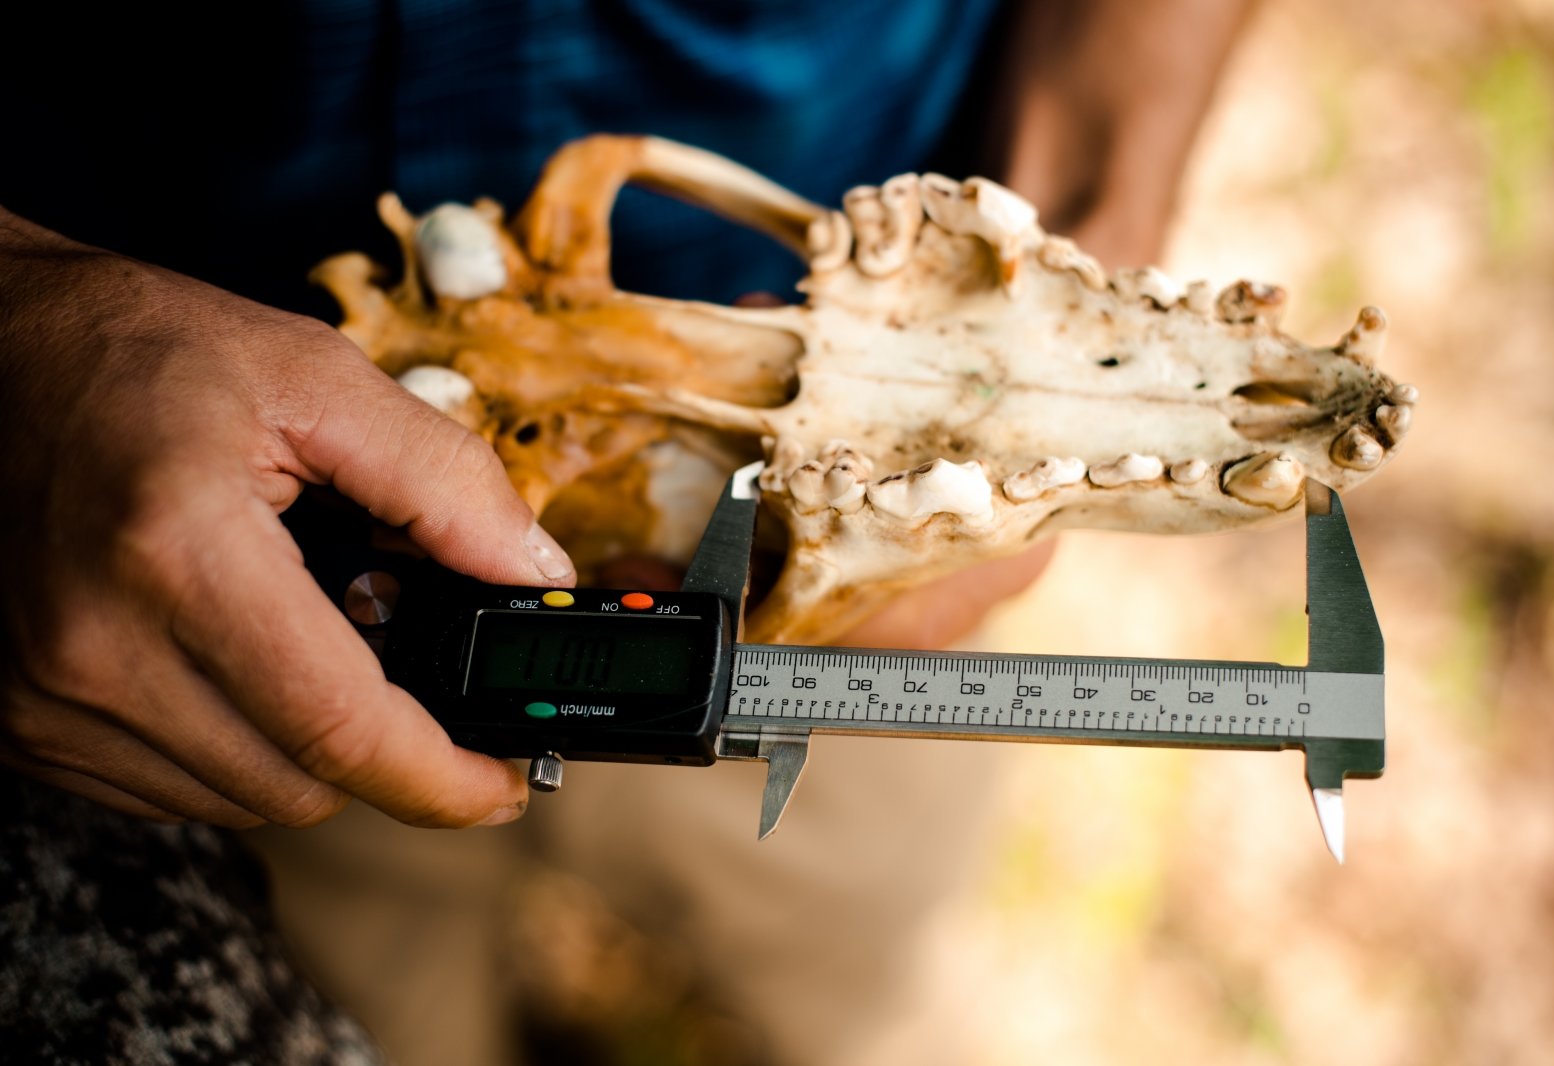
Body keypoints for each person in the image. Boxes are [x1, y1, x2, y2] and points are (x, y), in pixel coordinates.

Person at [0, 2, 1256, 1062]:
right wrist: (24, 324)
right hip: (183, 540)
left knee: (851, 977)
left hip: (853, 487)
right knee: (364, 994)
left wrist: (1060, 282)